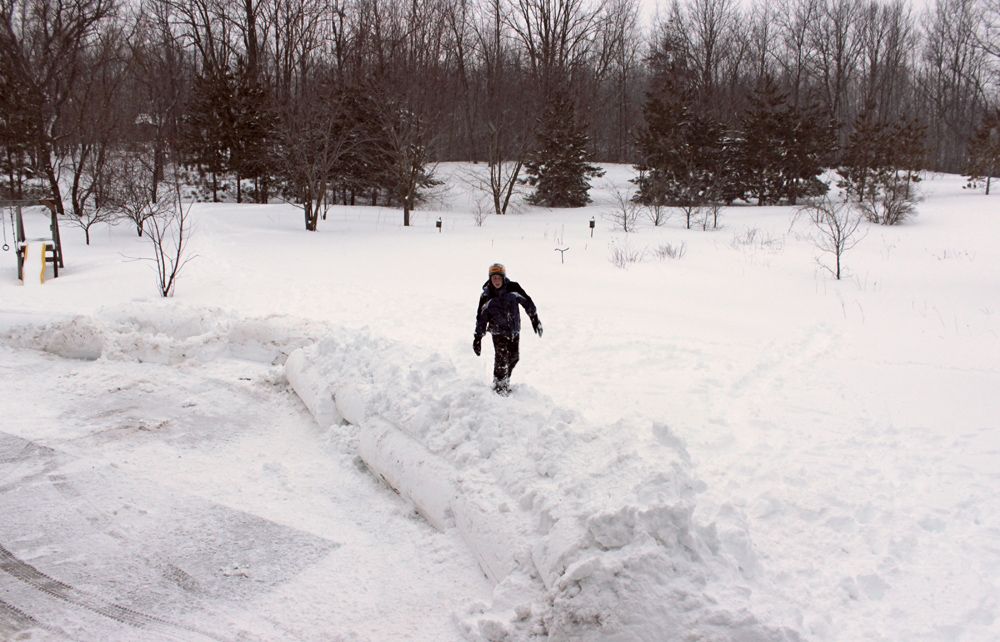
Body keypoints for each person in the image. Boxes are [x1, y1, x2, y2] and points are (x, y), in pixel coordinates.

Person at [473, 262, 542, 395]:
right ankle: (500, 387)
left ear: (503, 277)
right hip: (498, 331)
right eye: (494, 278)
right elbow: (481, 318)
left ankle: (504, 380)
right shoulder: (486, 296)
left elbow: (527, 301)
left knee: (514, 358)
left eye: (499, 278)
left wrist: (534, 318)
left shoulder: (513, 288)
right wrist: (478, 337)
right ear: (490, 279)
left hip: (514, 330)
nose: (496, 281)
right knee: (501, 359)